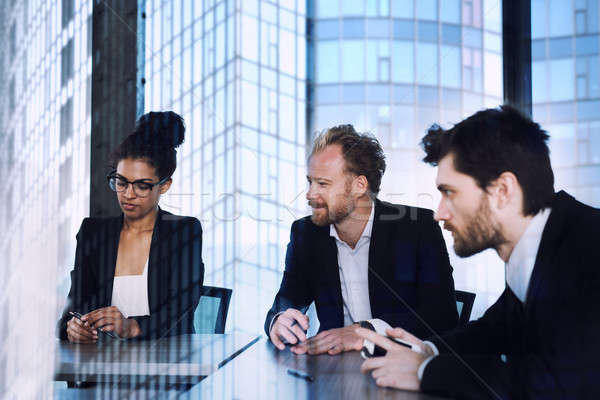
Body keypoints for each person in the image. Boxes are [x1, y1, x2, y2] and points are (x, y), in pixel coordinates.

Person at [357, 106, 600, 398]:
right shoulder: (543, 245)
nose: (439, 213)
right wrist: (428, 350)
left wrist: (424, 370)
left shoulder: (588, 248)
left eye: (450, 192)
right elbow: (494, 329)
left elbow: (558, 383)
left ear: (503, 190)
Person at [265, 124, 458, 355]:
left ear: (359, 185)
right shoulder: (306, 233)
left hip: (400, 364)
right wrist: (279, 320)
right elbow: (288, 298)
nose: (310, 194)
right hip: (331, 369)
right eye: (310, 182)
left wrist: (366, 331)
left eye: (323, 184)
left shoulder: (418, 229)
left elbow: (442, 317)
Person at [57, 111, 204, 342]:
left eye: (142, 186)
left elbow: (181, 313)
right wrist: (72, 327)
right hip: (102, 367)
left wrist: (133, 326)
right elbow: (74, 306)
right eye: (121, 182)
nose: (128, 194)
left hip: (165, 367)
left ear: (164, 185)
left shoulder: (183, 232)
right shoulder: (93, 233)